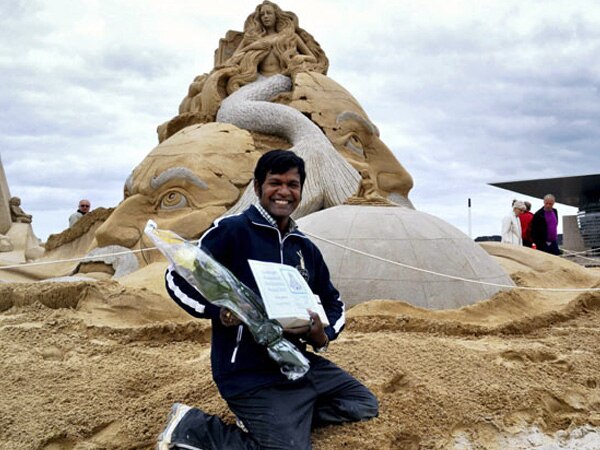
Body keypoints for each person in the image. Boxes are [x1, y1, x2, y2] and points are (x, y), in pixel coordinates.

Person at [157, 150, 378, 450]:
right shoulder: (232, 231)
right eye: (275, 182)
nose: (284, 192)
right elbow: (177, 277)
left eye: (293, 184)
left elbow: (333, 301)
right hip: (246, 372)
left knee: (362, 403)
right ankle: (192, 427)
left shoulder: (304, 247)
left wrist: (321, 334)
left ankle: (284, 420)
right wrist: (219, 310)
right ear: (258, 187)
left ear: (301, 189)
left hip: (296, 363)